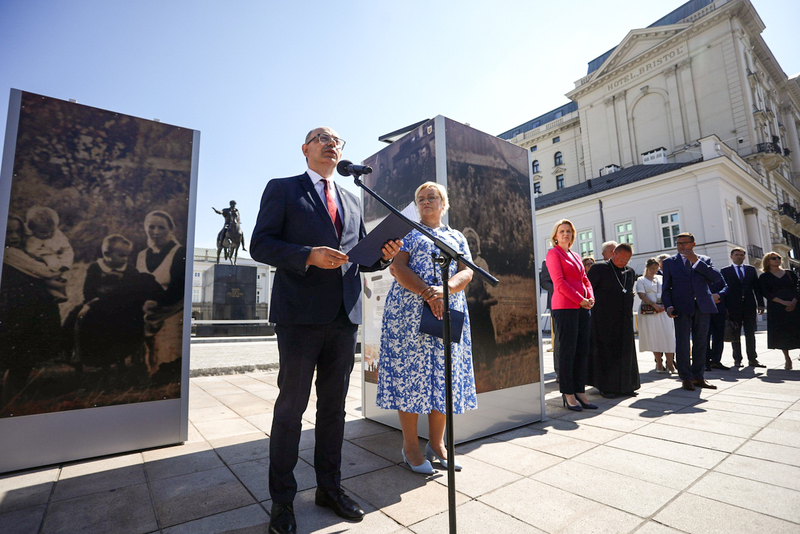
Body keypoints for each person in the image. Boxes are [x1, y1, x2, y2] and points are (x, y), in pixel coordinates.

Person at [250, 126, 401, 534]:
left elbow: (359, 259)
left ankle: (329, 489)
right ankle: (282, 501)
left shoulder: (353, 198)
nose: (331, 143)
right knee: (290, 411)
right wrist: (307, 256)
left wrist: (382, 257)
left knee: (333, 411)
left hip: (343, 317)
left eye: (337, 140)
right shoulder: (283, 188)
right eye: (322, 138)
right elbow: (260, 245)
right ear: (305, 149)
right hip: (299, 317)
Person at [377, 182, 476, 475]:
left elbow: (467, 270)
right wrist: (428, 293)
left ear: (444, 203)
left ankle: (438, 444)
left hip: (447, 309)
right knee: (411, 377)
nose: (425, 201)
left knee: (442, 377)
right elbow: (398, 268)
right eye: (420, 198)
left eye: (432, 197)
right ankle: (410, 447)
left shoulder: (456, 236)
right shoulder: (407, 230)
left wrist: (443, 292)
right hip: (409, 313)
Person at [66, 234, 163, 374]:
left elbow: (132, 290)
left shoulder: (129, 270)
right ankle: (77, 354)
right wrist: (94, 300)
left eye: (127, 256)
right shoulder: (95, 267)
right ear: (107, 254)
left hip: (121, 307)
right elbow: (88, 290)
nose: (125, 259)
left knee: (130, 322)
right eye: (121, 255)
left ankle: (125, 357)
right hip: (97, 304)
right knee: (80, 317)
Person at [0, 216, 64, 405]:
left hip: (32, 307)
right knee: (19, 354)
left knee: (25, 354)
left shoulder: (22, 251)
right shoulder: (10, 253)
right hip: (17, 308)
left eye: (17, 232)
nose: (13, 237)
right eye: (8, 232)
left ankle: (15, 394)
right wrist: (57, 271)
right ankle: (12, 396)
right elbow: (45, 272)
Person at [661, 232, 723, 391]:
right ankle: (686, 377)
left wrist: (695, 261)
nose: (681, 246)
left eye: (685, 243)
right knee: (682, 343)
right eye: (679, 243)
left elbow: (716, 278)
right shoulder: (669, 262)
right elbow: (666, 288)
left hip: (703, 307)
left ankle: (699, 376)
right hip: (681, 308)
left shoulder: (704, 260)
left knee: (701, 343)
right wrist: (669, 306)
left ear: (693, 244)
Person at [546, 219, 596, 411]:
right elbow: (558, 282)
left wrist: (590, 297)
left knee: (582, 350)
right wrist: (580, 299)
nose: (565, 234)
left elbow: (585, 279)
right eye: (562, 231)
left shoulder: (575, 255)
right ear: (556, 236)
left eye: (568, 231)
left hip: (583, 307)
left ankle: (580, 390)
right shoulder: (553, 254)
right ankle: (568, 393)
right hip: (565, 307)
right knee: (568, 352)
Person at [136, 210, 186, 380]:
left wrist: (157, 303)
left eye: (161, 228)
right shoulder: (141, 255)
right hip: (145, 308)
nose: (155, 232)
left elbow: (178, 288)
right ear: (145, 228)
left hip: (172, 307)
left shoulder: (179, 253)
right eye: (151, 227)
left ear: (170, 230)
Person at [586, 243, 640, 398]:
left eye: (627, 260)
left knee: (625, 352)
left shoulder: (629, 272)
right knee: (607, 353)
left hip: (624, 318)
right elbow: (589, 290)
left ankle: (627, 386)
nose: (623, 262)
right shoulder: (599, 268)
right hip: (603, 319)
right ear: (613, 253)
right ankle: (606, 387)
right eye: (621, 258)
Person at [720, 247, 765, 368]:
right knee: (735, 333)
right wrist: (724, 308)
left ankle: (752, 359)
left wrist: (760, 304)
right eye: (736, 255)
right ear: (731, 257)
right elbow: (723, 290)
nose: (739, 257)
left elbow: (757, 288)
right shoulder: (725, 271)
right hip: (733, 307)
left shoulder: (750, 270)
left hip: (749, 306)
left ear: (744, 257)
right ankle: (737, 359)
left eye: (741, 255)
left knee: (750, 333)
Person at [462, 226, 498, 366]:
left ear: (477, 245)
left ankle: (490, 360)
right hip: (468, 303)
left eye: (473, 242)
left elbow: (487, 283)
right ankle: (474, 362)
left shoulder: (481, 263)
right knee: (472, 334)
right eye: (467, 242)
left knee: (486, 332)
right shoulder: (462, 261)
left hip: (482, 302)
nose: (470, 246)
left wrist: (488, 297)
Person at [759, 252, 800, 370]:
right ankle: (787, 358)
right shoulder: (764, 277)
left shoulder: (790, 273)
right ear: (768, 261)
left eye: (779, 258)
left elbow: (797, 287)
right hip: (777, 308)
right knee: (782, 333)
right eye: (774, 258)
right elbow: (766, 293)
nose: (777, 260)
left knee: (797, 330)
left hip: (795, 305)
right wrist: (783, 302)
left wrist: (794, 301)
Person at [24, 206, 73, 300]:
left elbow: (67, 250)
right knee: (44, 281)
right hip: (36, 263)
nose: (48, 234)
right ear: (32, 229)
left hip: (56, 263)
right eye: (43, 232)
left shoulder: (58, 236)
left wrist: (65, 264)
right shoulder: (30, 238)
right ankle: (55, 294)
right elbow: (29, 251)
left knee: (60, 279)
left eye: (52, 231)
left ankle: (62, 294)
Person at [635, 258, 676, 373]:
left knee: (668, 335)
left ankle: (670, 363)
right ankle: (659, 363)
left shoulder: (661, 278)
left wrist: (665, 306)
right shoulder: (641, 280)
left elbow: (668, 291)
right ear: (647, 267)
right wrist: (654, 305)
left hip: (663, 310)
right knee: (654, 336)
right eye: (652, 268)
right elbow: (642, 295)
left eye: (656, 268)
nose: (654, 270)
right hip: (650, 311)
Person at [705, 268, 729, 371]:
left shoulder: (717, 273)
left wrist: (719, 295)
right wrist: (710, 297)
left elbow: (726, 287)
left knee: (719, 336)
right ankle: (705, 362)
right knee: (705, 336)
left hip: (719, 308)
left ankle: (716, 360)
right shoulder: (698, 274)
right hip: (705, 310)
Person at [539, 260, 558, 379]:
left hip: (575, 303)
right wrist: (560, 290)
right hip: (557, 304)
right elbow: (544, 282)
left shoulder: (573, 257)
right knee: (559, 340)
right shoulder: (548, 261)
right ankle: (560, 372)